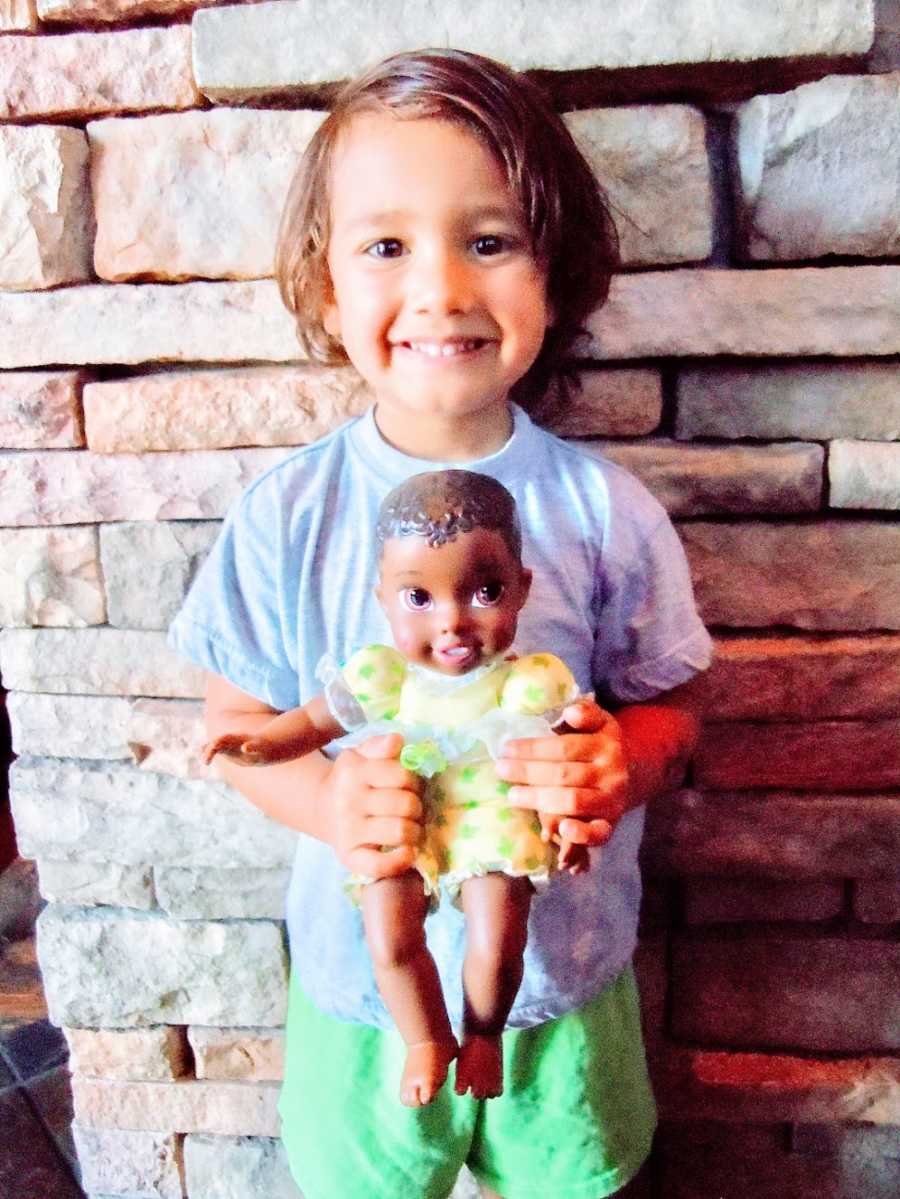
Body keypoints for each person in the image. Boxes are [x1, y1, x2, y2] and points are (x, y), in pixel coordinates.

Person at [169, 47, 713, 1199]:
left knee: (576, 1178)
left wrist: (623, 761)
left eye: (489, 239)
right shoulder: (286, 515)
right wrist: (322, 795)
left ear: (554, 272)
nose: (444, 289)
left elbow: (675, 707)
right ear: (326, 285)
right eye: (385, 246)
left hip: (561, 978)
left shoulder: (602, 510)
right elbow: (239, 722)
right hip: (367, 986)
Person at [203, 468, 589, 1107]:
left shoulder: (531, 684)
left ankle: (484, 1031)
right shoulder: (381, 676)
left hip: (491, 811)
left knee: (497, 936)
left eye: (484, 592)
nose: (452, 624)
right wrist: (258, 744)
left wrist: (569, 822)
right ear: (382, 596)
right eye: (419, 599)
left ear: (522, 590)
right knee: (389, 936)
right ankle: (426, 1038)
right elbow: (311, 723)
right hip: (399, 807)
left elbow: (568, 758)